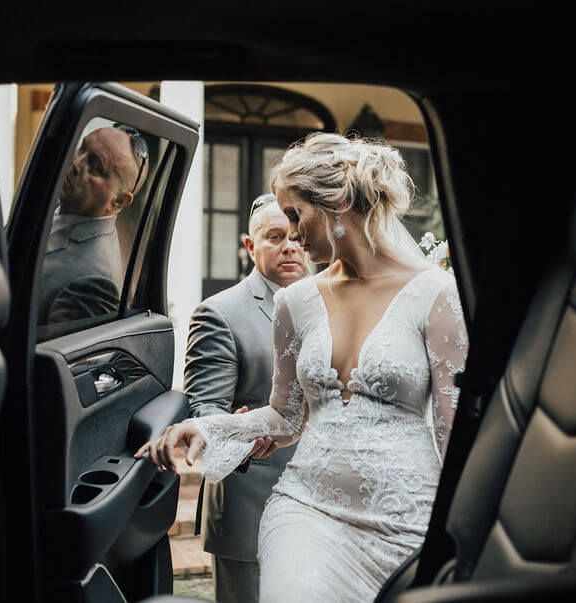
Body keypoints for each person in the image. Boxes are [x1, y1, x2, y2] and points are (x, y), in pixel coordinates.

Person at [137, 132, 468, 602]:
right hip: (307, 510)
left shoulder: (436, 294)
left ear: (338, 203)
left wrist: (460, 533)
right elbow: (285, 416)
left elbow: (454, 433)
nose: (292, 233)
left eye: (296, 214)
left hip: (408, 520)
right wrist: (209, 429)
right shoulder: (297, 302)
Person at [183, 192, 308, 603]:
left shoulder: (333, 303)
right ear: (250, 246)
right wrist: (240, 429)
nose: (289, 246)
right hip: (251, 509)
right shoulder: (218, 313)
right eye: (274, 237)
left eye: (295, 236)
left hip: (322, 508)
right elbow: (204, 409)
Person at [38, 125, 147, 324]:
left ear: (118, 201)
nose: (76, 163)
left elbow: (55, 353)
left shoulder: (95, 282)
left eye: (95, 166)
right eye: (82, 148)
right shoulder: (48, 198)